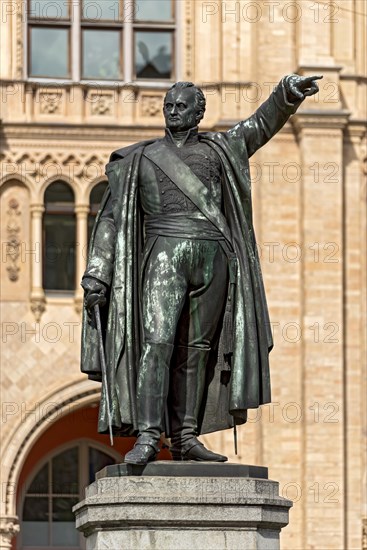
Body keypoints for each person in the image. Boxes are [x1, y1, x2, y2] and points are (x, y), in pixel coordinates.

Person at [81, 74, 321, 464]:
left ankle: (186, 436)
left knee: (197, 350)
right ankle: (147, 435)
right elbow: (110, 220)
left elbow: (259, 125)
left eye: (181, 107)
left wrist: (286, 94)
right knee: (156, 346)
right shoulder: (137, 160)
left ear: (198, 113)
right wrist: (97, 271)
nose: (173, 112)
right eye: (169, 106)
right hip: (162, 253)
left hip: (213, 258)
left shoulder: (221, 149)